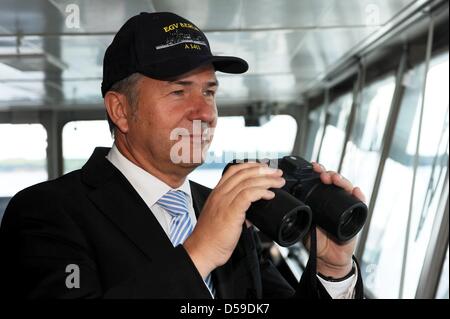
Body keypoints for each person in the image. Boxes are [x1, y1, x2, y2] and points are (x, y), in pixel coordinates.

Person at [0, 12, 365, 299]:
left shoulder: (223, 209)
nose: (204, 112)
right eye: (179, 92)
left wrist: (332, 269)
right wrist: (198, 253)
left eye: (209, 92)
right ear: (120, 110)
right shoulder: (45, 214)